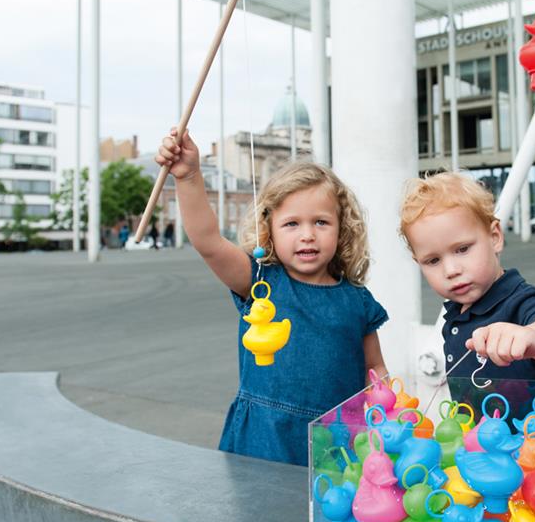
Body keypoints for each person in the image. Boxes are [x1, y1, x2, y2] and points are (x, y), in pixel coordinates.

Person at [155, 128, 388, 466]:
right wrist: (189, 175)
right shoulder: (258, 280)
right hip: (263, 439)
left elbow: (374, 367)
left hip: (337, 443)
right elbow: (208, 241)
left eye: (321, 222)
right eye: (291, 224)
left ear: (342, 229)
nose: (307, 235)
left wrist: (387, 408)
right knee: (258, 517)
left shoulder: (357, 300)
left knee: (326, 517)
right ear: (269, 230)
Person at [399, 172, 535, 422]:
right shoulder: (455, 314)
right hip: (479, 452)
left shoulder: (523, 301)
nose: (451, 270)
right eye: (433, 260)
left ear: (495, 237)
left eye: (462, 249)